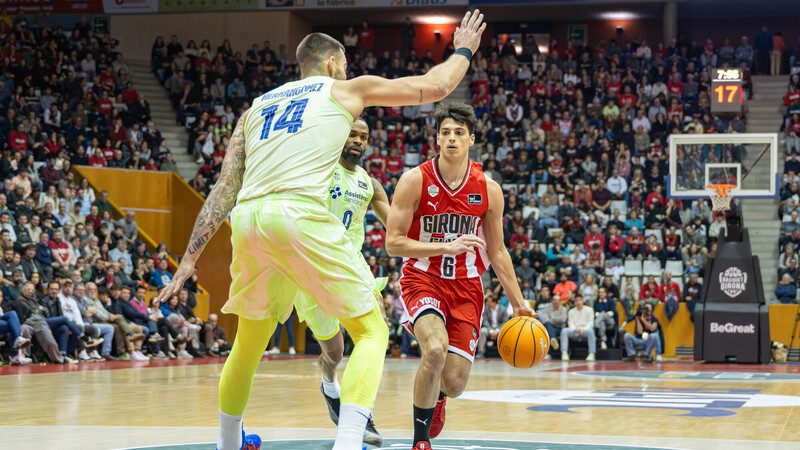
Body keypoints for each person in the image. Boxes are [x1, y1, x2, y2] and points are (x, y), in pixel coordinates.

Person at [156, 13, 486, 450]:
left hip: (249, 220)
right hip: (299, 215)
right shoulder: (343, 90)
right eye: (345, 63)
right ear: (334, 62)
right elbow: (438, 86)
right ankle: (348, 442)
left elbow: (224, 188)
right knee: (372, 331)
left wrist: (190, 259)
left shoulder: (255, 108)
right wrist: (463, 48)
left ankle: (228, 444)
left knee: (249, 343)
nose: (346, 70)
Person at [386, 102, 535, 450]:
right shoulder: (414, 180)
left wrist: (519, 302)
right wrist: (444, 247)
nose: (451, 138)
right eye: (445, 132)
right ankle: (420, 442)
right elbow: (393, 244)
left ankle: (439, 396)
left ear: (471, 139)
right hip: (423, 279)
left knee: (453, 382)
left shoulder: (489, 189)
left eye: (458, 133)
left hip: (467, 288)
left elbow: (497, 251)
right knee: (434, 350)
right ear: (437, 139)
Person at [291, 118, 391, 447]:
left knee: (376, 328)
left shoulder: (370, 184)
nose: (358, 141)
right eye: (352, 134)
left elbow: (396, 226)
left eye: (363, 136)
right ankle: (329, 386)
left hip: (351, 265)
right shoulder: (318, 166)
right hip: (313, 265)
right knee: (334, 350)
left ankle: (359, 414)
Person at [560, 294, 596, 361]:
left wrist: (584, 329)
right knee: (564, 331)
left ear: (583, 301)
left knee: (591, 331)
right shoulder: (571, 311)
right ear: (574, 302)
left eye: (580, 300)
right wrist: (575, 329)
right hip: (574, 331)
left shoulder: (589, 310)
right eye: (576, 300)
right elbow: (570, 323)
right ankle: (564, 353)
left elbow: (591, 323)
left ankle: (591, 353)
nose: (578, 302)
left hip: (585, 331)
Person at [476, 293, 509, 358]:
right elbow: (485, 321)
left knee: (506, 332)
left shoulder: (503, 309)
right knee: (482, 331)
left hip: (500, 329)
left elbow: (505, 322)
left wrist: (497, 330)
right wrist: (491, 330)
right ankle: (481, 352)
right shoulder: (486, 309)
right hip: (489, 328)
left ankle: (505, 353)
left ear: (494, 302)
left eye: (489, 301)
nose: (487, 303)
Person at [537, 294, 566, 359]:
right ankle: (553, 339)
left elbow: (563, 320)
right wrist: (555, 320)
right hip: (549, 327)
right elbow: (545, 319)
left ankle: (548, 354)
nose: (556, 302)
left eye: (558, 300)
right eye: (555, 300)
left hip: (560, 329)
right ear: (552, 301)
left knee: (548, 330)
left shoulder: (564, 309)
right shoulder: (547, 309)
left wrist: (552, 318)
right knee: (547, 327)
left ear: (560, 302)